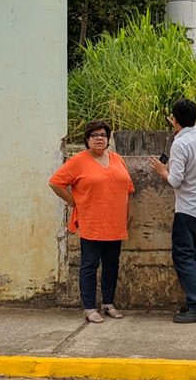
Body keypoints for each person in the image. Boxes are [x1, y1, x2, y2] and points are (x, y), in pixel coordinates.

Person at [49, 120, 135, 323]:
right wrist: (74, 201)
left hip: (115, 222)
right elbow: (55, 182)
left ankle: (108, 303)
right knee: (89, 265)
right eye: (94, 135)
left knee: (112, 264)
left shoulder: (117, 159)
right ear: (87, 140)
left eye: (103, 135)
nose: (99, 138)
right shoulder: (79, 161)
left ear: (108, 139)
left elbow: (127, 188)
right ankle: (89, 308)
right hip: (92, 221)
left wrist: (127, 215)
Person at [149, 98, 196, 324]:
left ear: (174, 119)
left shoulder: (180, 144)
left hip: (189, 209)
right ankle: (195, 300)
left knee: (183, 256)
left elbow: (176, 180)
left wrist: (161, 170)